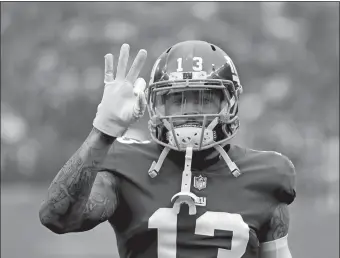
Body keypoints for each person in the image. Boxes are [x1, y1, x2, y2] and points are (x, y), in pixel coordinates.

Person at [39, 41, 296, 258]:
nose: (190, 110)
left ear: (229, 103)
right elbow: (57, 217)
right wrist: (103, 131)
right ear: (156, 105)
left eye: (204, 98)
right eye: (176, 99)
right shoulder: (125, 163)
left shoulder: (267, 175)